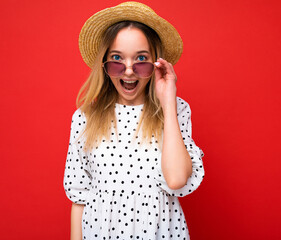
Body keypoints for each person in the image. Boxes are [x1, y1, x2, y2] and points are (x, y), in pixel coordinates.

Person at [63, 2, 204, 239]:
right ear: (104, 64)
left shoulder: (176, 110)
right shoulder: (85, 118)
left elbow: (178, 178)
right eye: (117, 58)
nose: (129, 70)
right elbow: (79, 198)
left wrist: (167, 101)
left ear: (156, 63)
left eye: (141, 58)